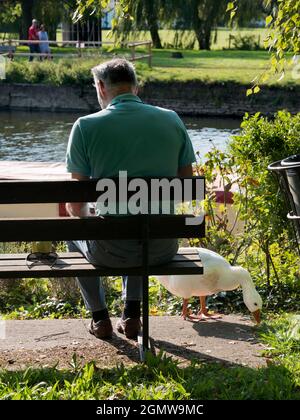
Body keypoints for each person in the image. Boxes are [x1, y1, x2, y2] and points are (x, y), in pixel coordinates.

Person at [65, 58, 196, 340]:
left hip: (108, 251)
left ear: (101, 87)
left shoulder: (85, 126)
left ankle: (100, 318)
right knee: (144, 219)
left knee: (75, 231)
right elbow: (188, 187)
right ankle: (132, 314)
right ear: (135, 88)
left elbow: (76, 207)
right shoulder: (172, 119)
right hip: (161, 247)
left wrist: (94, 214)